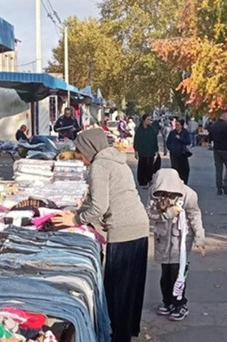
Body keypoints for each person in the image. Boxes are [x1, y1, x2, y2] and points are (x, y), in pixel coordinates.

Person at [52, 129, 149, 342]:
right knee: (131, 287)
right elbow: (102, 198)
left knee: (117, 290)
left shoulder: (100, 165)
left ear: (89, 149)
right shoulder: (116, 161)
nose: (83, 161)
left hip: (124, 230)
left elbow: (99, 206)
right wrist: (77, 213)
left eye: (80, 155)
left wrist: (75, 220)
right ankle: (126, 332)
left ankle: (118, 336)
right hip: (139, 226)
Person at [147, 169, 206, 322]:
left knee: (178, 273)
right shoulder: (154, 193)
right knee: (165, 274)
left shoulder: (188, 194)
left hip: (180, 240)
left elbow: (195, 216)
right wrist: (167, 214)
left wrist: (200, 238)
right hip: (163, 238)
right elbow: (149, 214)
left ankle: (180, 303)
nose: (165, 194)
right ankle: (167, 301)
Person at [208, 110, 227, 196]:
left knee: (218, 170)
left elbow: (210, 138)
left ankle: (219, 189)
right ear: (223, 116)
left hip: (217, 150)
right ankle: (225, 181)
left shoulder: (213, 126)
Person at [134, 114, 159, 188]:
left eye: (150, 120)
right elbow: (136, 140)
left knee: (150, 167)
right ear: (144, 120)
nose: (149, 121)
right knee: (142, 166)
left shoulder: (151, 129)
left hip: (151, 151)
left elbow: (155, 140)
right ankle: (142, 182)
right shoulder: (139, 130)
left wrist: (156, 150)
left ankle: (149, 180)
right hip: (142, 151)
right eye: (148, 119)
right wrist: (136, 150)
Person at [166, 118, 192, 184]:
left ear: (182, 126)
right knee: (175, 169)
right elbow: (168, 142)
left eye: (178, 125)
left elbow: (188, 141)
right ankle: (175, 183)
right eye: (176, 125)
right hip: (174, 154)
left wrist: (180, 138)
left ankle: (184, 182)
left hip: (182, 154)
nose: (176, 126)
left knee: (185, 169)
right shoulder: (172, 133)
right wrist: (171, 148)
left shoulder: (185, 132)